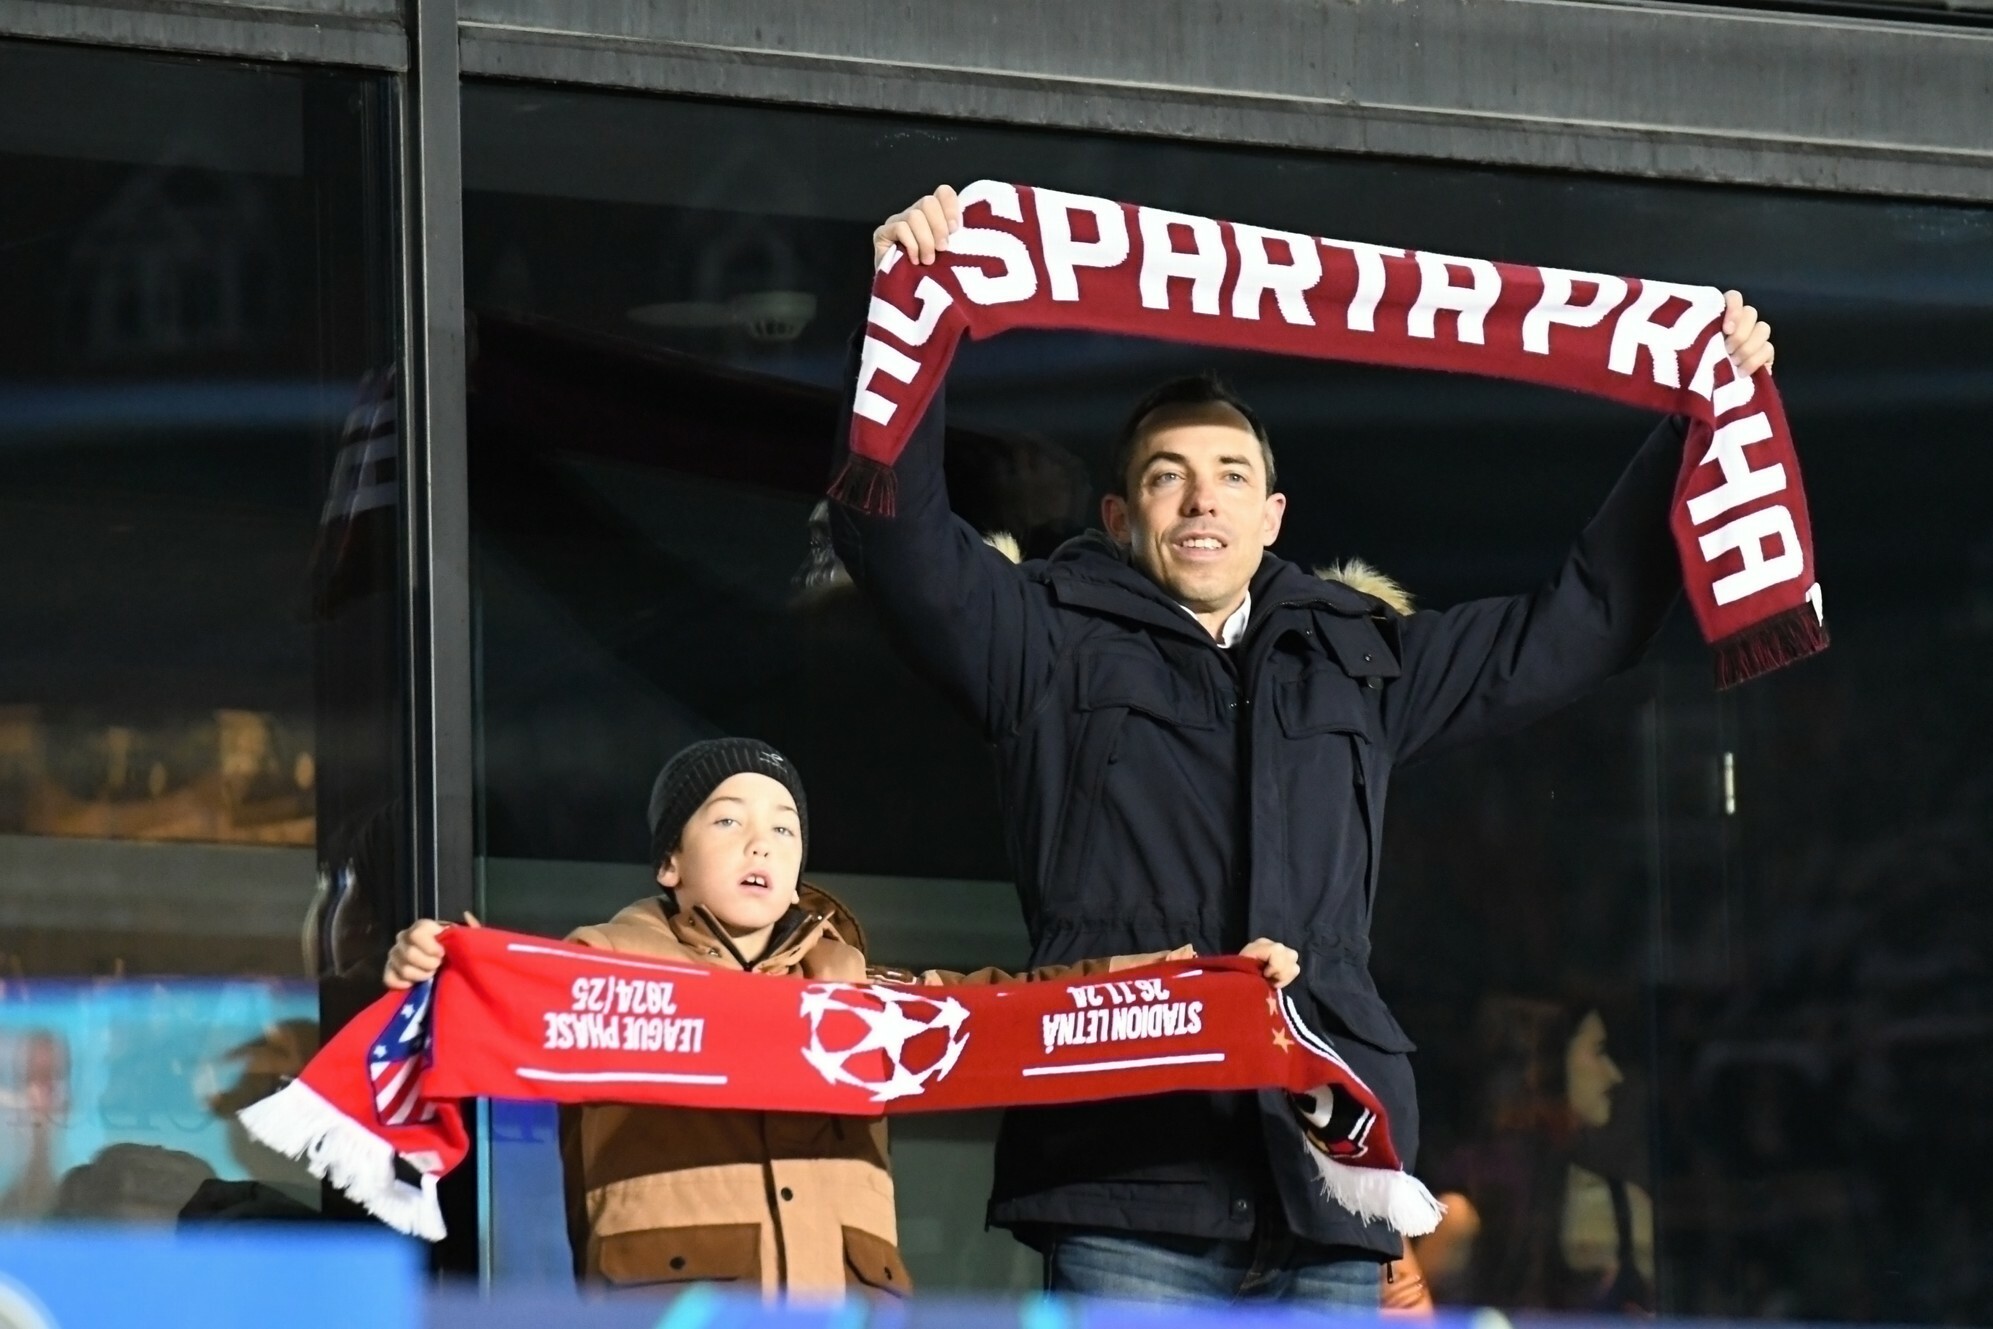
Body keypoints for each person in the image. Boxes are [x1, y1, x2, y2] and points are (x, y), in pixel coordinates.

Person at [830, 185, 1775, 1307]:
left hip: (1326, 1177)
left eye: (1229, 476)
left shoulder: (1359, 656)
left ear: (1272, 516)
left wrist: (1690, 424)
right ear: (1119, 518)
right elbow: (895, 537)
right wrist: (910, 315)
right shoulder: (1041, 640)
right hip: (1127, 1173)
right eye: (1167, 476)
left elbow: (1580, 624)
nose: (1201, 501)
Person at [384, 736, 1299, 1301]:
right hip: (679, 1305)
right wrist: (426, 970)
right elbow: (468, 1006)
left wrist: (1196, 982)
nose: (761, 841)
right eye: (727, 820)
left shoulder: (860, 999)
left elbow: (1023, 1006)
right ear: (669, 862)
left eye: (783, 827)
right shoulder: (598, 974)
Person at [1415, 997, 1654, 1312]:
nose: (1613, 1074)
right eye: (1598, 1051)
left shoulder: (1625, 1208)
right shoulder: (1465, 1213)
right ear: (1545, 1071)